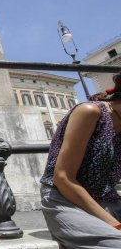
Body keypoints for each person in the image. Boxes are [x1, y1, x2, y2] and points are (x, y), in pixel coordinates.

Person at [40, 74, 121, 248]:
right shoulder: (91, 112)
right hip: (65, 200)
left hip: (108, 199)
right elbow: (62, 178)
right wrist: (116, 225)